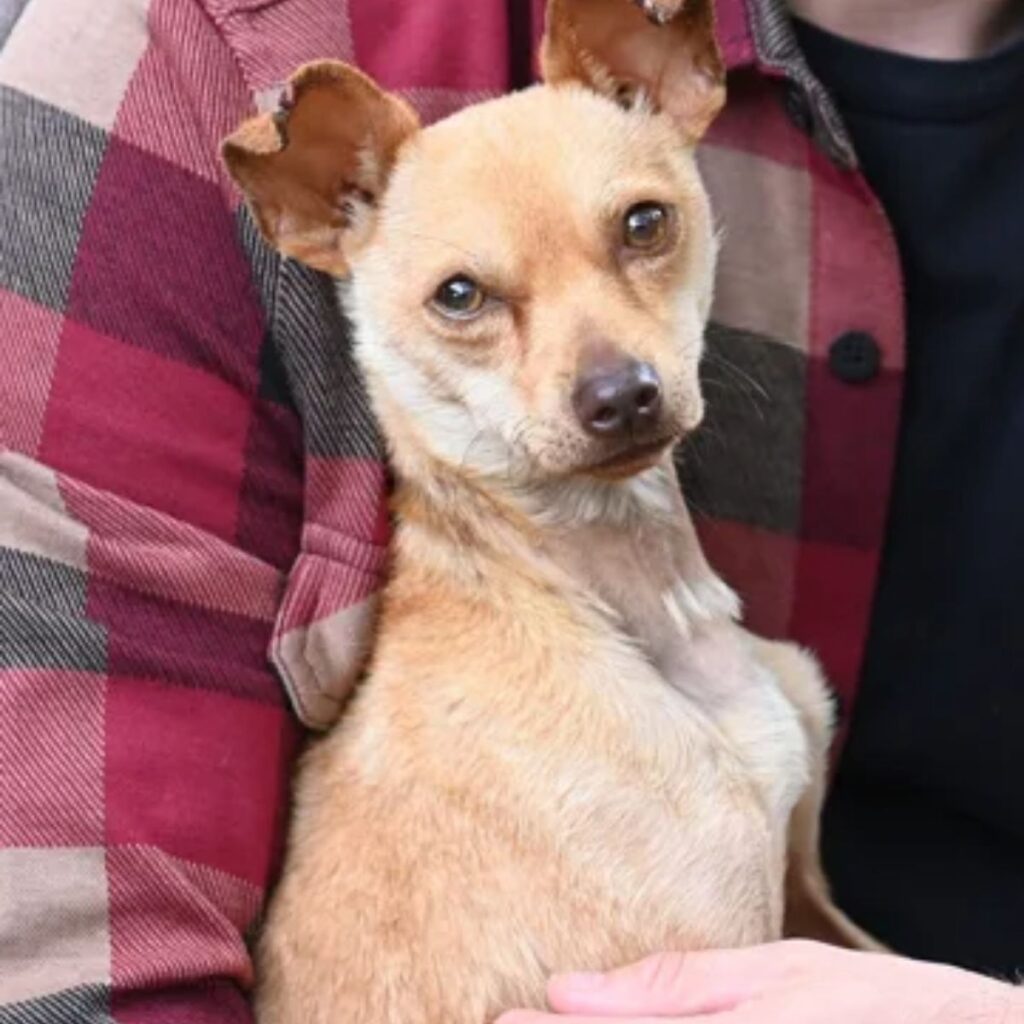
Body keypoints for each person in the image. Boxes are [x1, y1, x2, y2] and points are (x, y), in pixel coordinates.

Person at [0, 0, 1019, 1021]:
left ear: (667, 69)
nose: (607, 379)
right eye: (465, 299)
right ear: (324, 204)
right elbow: (67, 970)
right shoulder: (189, 50)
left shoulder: (743, 696)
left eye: (640, 229)